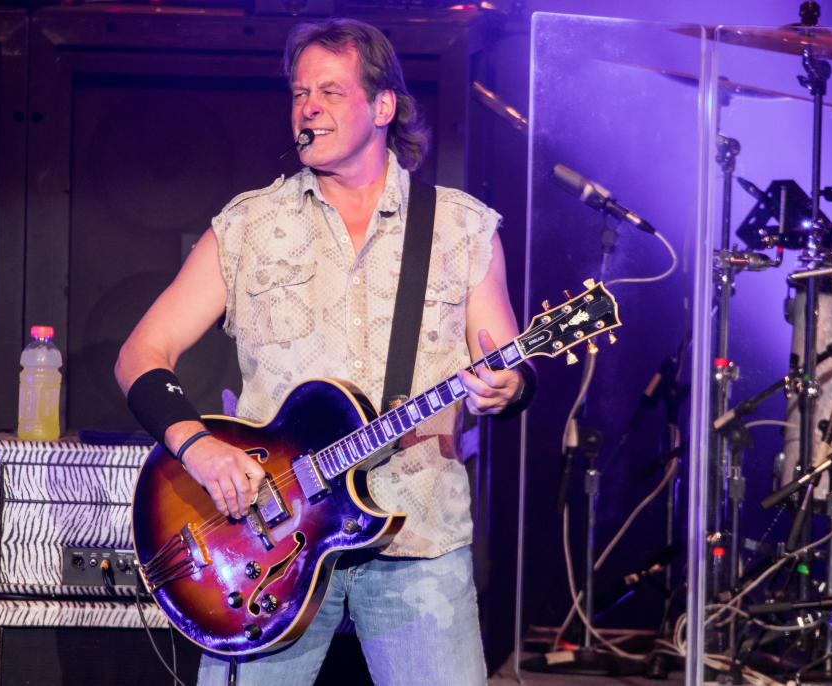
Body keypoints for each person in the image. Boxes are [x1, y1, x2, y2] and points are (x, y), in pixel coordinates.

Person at [115, 17, 533, 686]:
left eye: (330, 91)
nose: (307, 106)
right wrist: (197, 446)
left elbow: (505, 361)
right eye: (299, 91)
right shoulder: (247, 225)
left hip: (417, 541)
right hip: (266, 544)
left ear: (383, 106)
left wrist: (508, 387)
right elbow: (141, 353)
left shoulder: (460, 227)